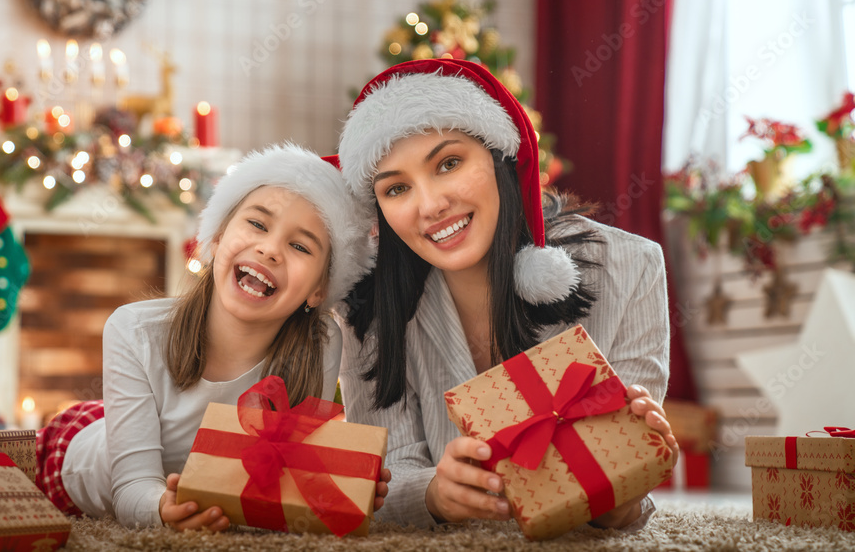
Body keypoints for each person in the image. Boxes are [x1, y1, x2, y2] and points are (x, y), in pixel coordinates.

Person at [335, 59, 679, 530]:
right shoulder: (368, 308)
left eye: (449, 163)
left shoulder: (629, 268)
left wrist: (623, 493)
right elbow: (380, 480)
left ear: (500, 159)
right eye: (396, 188)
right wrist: (432, 493)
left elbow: (623, 498)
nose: (431, 205)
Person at [34, 144, 382, 531]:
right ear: (216, 239)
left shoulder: (321, 342)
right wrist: (162, 510)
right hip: (75, 456)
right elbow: (131, 488)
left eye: (300, 246)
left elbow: (288, 473)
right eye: (257, 224)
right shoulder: (133, 329)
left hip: (180, 450)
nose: (269, 249)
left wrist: (343, 481)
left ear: (319, 290)